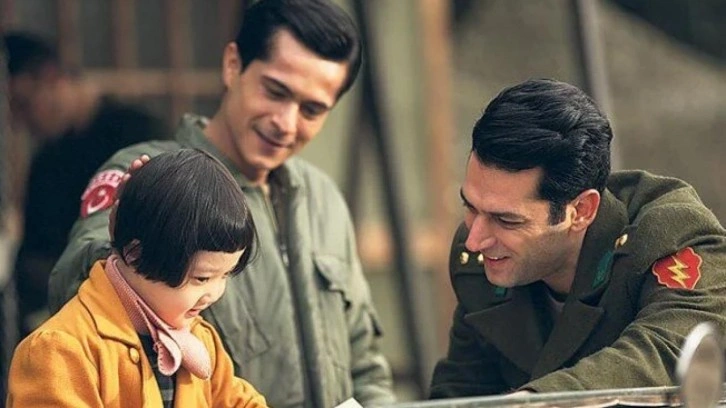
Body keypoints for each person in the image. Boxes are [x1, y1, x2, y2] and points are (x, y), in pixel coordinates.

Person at [48, 1, 395, 407]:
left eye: (312, 109)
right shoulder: (147, 174)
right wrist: (120, 245)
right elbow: (72, 293)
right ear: (233, 65)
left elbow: (365, 362)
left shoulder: (325, 200)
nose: (285, 122)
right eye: (275, 91)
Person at [429, 78, 726, 397]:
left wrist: (534, 403)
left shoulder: (669, 234)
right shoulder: (476, 263)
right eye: (470, 207)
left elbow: (668, 352)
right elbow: (461, 391)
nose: (475, 240)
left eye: (506, 220)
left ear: (581, 211)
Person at [7, 149, 267, 407]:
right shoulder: (61, 349)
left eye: (225, 275)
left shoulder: (199, 338)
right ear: (135, 253)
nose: (215, 293)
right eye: (202, 278)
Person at [3, 31, 168, 335]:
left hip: (138, 306)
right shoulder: (46, 162)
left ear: (50, 77)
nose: (21, 121)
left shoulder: (140, 134)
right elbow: (32, 258)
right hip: (65, 315)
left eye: (23, 104)